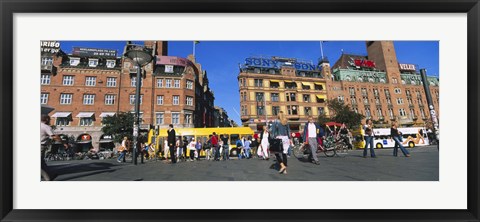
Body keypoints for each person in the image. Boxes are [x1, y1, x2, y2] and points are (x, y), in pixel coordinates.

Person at [40, 114, 62, 181]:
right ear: (46, 119)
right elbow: (54, 136)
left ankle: (50, 176)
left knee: (42, 163)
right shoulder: (46, 127)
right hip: (40, 146)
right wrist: (63, 142)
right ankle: (49, 177)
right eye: (49, 119)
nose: (50, 121)